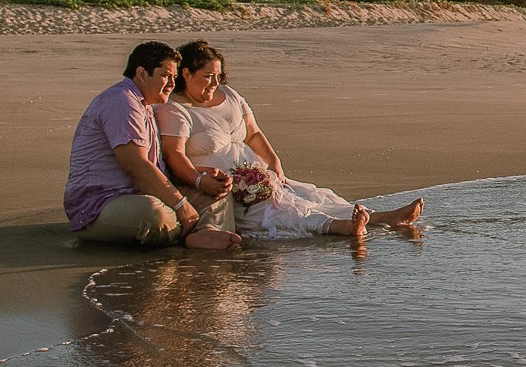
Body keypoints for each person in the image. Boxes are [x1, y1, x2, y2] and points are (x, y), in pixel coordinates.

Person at [157, 40, 425, 241]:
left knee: (312, 196)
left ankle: (382, 217)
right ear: (186, 75)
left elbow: (253, 134)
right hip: (226, 186)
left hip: (257, 175)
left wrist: (274, 163)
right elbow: (174, 156)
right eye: (207, 77)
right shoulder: (176, 110)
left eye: (218, 76)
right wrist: (201, 181)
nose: (214, 83)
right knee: (283, 211)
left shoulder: (229, 95)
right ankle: (340, 227)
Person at [63, 42, 240, 249]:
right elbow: (136, 166)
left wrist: (199, 177)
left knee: (215, 191)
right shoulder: (121, 102)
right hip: (101, 205)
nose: (171, 85)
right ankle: (192, 229)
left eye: (174, 78)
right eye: (166, 76)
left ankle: (205, 233)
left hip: (139, 194)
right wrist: (182, 207)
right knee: (153, 214)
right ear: (141, 73)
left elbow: (156, 165)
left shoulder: (146, 105)